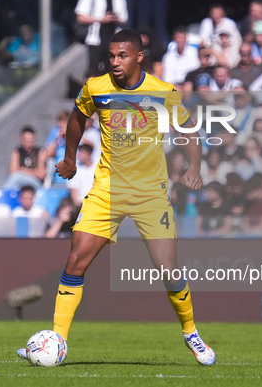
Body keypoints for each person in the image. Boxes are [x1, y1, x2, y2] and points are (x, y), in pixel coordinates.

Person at [16, 29, 215, 365]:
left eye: (122, 56)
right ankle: (57, 340)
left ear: (139, 56)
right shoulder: (97, 88)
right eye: (111, 56)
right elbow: (78, 117)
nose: (115, 62)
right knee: (76, 258)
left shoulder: (162, 92)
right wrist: (68, 158)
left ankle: (191, 333)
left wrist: (195, 167)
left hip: (150, 193)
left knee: (168, 269)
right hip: (107, 189)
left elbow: (189, 130)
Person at [2, 126, 46, 191]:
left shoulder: (40, 152)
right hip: (21, 183)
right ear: (21, 139)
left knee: (17, 177)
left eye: (30, 141)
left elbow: (42, 174)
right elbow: (13, 171)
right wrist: (34, 172)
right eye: (25, 141)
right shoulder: (17, 152)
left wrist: (21, 169)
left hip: (36, 183)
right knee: (15, 179)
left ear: (34, 139)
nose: (28, 144)